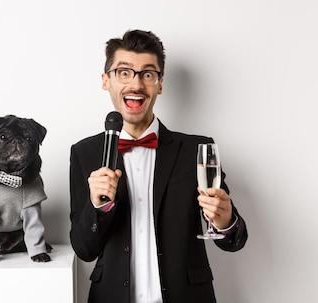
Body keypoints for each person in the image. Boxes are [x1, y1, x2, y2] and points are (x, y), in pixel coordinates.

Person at [68, 29, 248, 303]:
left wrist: (224, 221)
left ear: (160, 84)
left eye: (148, 74)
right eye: (124, 72)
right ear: (106, 81)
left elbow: (235, 240)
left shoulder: (196, 150)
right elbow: (84, 249)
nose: (136, 85)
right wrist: (98, 207)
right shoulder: (84, 153)